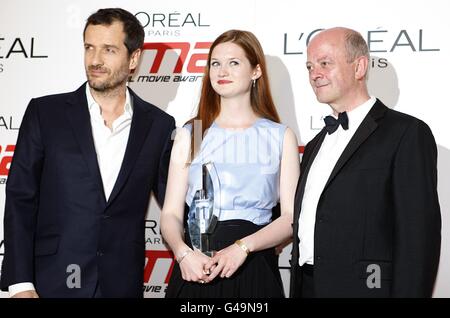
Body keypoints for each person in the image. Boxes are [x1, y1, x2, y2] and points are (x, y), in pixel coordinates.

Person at [0, 8, 175, 298]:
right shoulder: (45, 114)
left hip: (121, 285)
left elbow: (174, 203)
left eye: (108, 50)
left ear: (133, 59)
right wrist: (20, 284)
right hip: (52, 283)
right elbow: (20, 199)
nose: (95, 60)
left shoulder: (158, 125)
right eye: (89, 48)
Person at [290, 27, 441, 298]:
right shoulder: (314, 145)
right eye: (310, 66)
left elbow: (419, 238)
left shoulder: (406, 133)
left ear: (359, 67)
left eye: (325, 63)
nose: (315, 74)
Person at [161, 29, 300, 297]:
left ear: (256, 71)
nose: (221, 71)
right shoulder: (191, 134)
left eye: (233, 63)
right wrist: (182, 254)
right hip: (196, 268)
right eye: (215, 63)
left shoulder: (279, 136)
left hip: (253, 264)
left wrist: (243, 247)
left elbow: (291, 217)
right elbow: (170, 214)